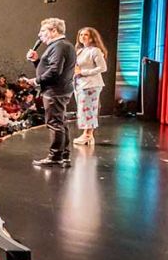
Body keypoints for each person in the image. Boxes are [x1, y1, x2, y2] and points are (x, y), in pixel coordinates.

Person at [25, 17, 77, 166]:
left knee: (55, 123)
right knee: (61, 122)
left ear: (54, 31)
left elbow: (54, 71)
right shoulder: (64, 45)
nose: (39, 35)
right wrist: (36, 61)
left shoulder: (58, 46)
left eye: (43, 31)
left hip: (55, 91)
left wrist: (36, 81)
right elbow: (50, 68)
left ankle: (55, 157)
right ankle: (64, 155)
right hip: (60, 89)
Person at [73, 27, 108, 145]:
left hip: (91, 84)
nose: (82, 37)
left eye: (86, 35)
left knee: (89, 110)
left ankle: (88, 135)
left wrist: (83, 72)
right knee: (83, 109)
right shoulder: (80, 51)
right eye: (81, 34)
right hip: (80, 84)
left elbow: (103, 68)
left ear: (92, 37)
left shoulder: (95, 51)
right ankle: (87, 134)